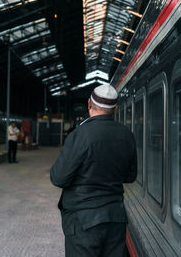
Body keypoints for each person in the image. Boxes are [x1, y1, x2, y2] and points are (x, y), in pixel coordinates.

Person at [50, 84, 137, 257]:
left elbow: (59, 178)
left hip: (83, 221)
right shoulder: (127, 135)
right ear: (115, 109)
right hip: (115, 217)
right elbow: (130, 176)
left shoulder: (80, 134)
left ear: (89, 103)